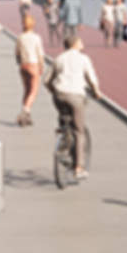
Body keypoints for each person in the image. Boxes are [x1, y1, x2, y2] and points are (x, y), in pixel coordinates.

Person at [47, 34, 100, 181]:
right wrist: (96, 91)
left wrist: (54, 91)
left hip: (59, 95)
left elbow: (47, 80)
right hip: (76, 96)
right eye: (81, 41)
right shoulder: (83, 59)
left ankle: (63, 140)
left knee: (64, 117)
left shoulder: (59, 58)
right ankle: (79, 168)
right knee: (79, 131)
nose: (83, 43)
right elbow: (91, 78)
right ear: (76, 44)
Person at [14, 13, 45, 126]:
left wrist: (20, 61)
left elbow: (16, 52)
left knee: (26, 90)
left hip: (23, 65)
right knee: (33, 91)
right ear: (33, 25)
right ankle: (25, 111)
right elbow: (40, 53)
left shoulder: (20, 37)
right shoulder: (36, 37)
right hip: (33, 64)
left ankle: (26, 117)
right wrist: (41, 65)